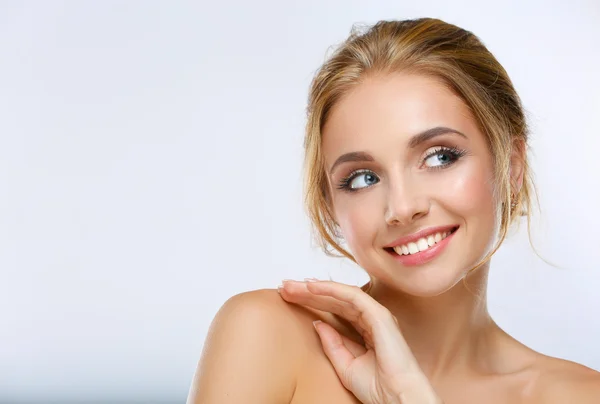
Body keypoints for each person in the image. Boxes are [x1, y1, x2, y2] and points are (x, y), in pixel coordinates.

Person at [187, 18, 600, 403]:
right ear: (331, 204)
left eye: (439, 157)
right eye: (364, 178)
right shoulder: (267, 335)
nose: (403, 208)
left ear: (511, 166)